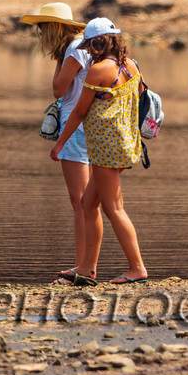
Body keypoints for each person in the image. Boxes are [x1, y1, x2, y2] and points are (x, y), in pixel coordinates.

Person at [50, 18, 149, 285]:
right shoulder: (130, 66)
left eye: (90, 46)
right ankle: (86, 268)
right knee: (88, 204)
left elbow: (80, 111)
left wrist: (60, 143)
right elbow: (139, 96)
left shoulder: (98, 71)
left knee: (114, 208)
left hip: (106, 148)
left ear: (96, 44)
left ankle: (137, 268)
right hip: (125, 143)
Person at [20, 2, 102, 283]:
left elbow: (58, 88)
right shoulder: (81, 47)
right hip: (89, 127)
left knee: (80, 203)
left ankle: (83, 268)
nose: (39, 34)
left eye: (42, 28)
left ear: (54, 28)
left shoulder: (74, 50)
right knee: (88, 202)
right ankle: (85, 266)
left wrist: (58, 59)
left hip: (75, 128)